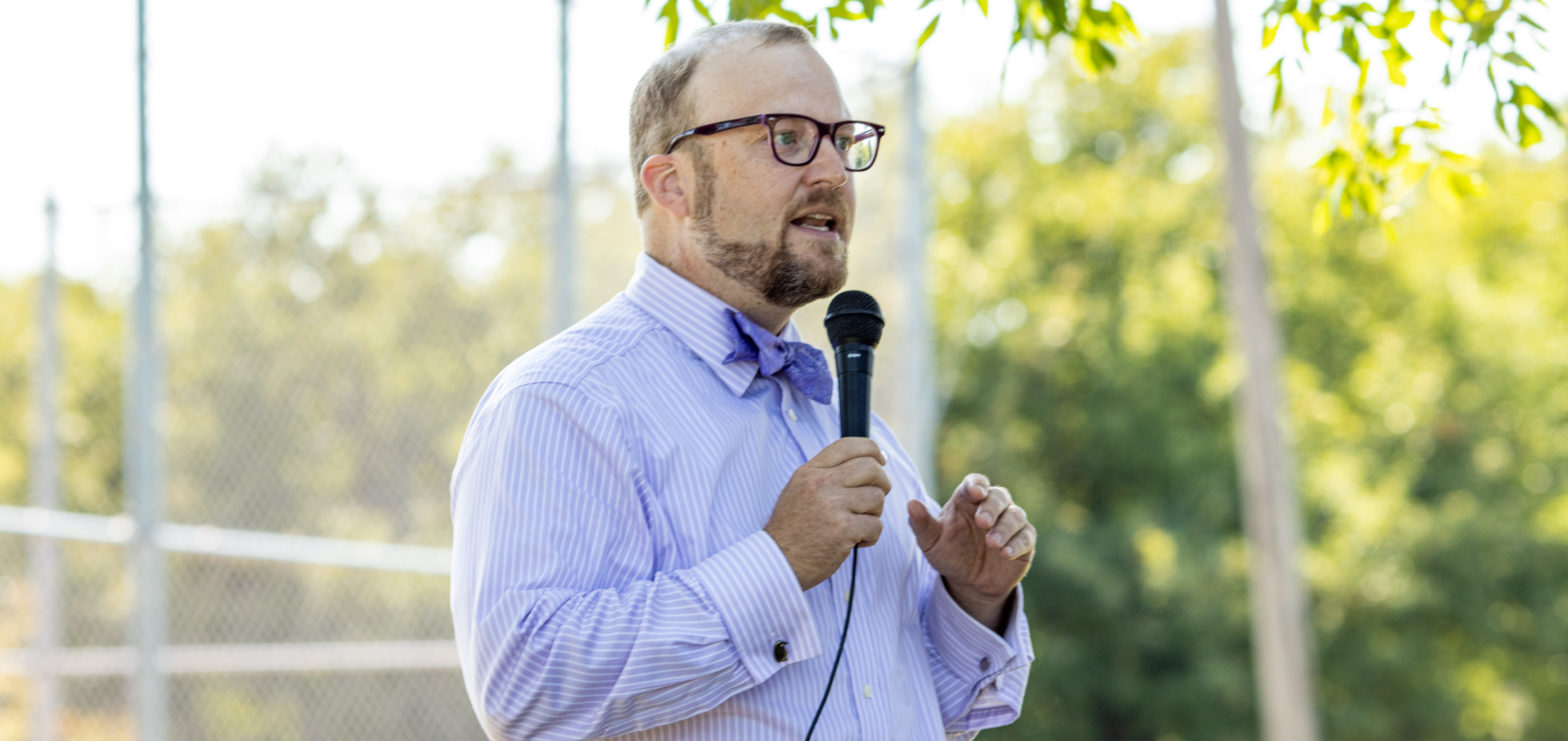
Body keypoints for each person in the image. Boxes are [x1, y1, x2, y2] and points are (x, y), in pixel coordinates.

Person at [450, 19, 1037, 739]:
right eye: (787, 137)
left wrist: (973, 597)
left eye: (841, 139)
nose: (831, 172)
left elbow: (927, 710)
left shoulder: (848, 425)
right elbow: (525, 686)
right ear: (673, 185)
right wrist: (778, 562)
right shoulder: (561, 401)